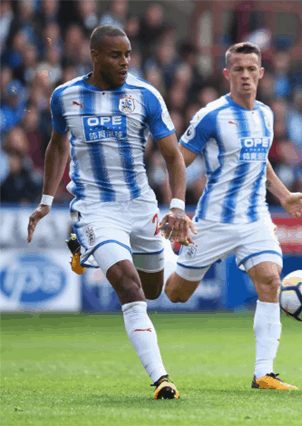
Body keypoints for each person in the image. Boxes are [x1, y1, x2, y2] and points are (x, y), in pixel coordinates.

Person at [26, 25, 195, 400]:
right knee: (129, 287)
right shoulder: (64, 96)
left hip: (141, 206)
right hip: (95, 208)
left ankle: (80, 246)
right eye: (116, 55)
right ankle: (161, 379)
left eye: (128, 55)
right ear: (95, 55)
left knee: (153, 290)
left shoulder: (146, 95)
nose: (124, 62)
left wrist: (178, 207)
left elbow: (173, 157)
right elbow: (57, 146)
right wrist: (46, 200)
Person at [162, 42, 302, 391]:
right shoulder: (211, 115)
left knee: (271, 282)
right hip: (212, 220)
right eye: (239, 69)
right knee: (176, 294)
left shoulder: (266, 114)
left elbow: (262, 164)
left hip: (255, 218)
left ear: (261, 73)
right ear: (227, 74)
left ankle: (264, 373)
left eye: (252, 69)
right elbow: (178, 162)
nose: (246, 75)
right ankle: (162, 256)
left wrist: (284, 195)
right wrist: (178, 207)